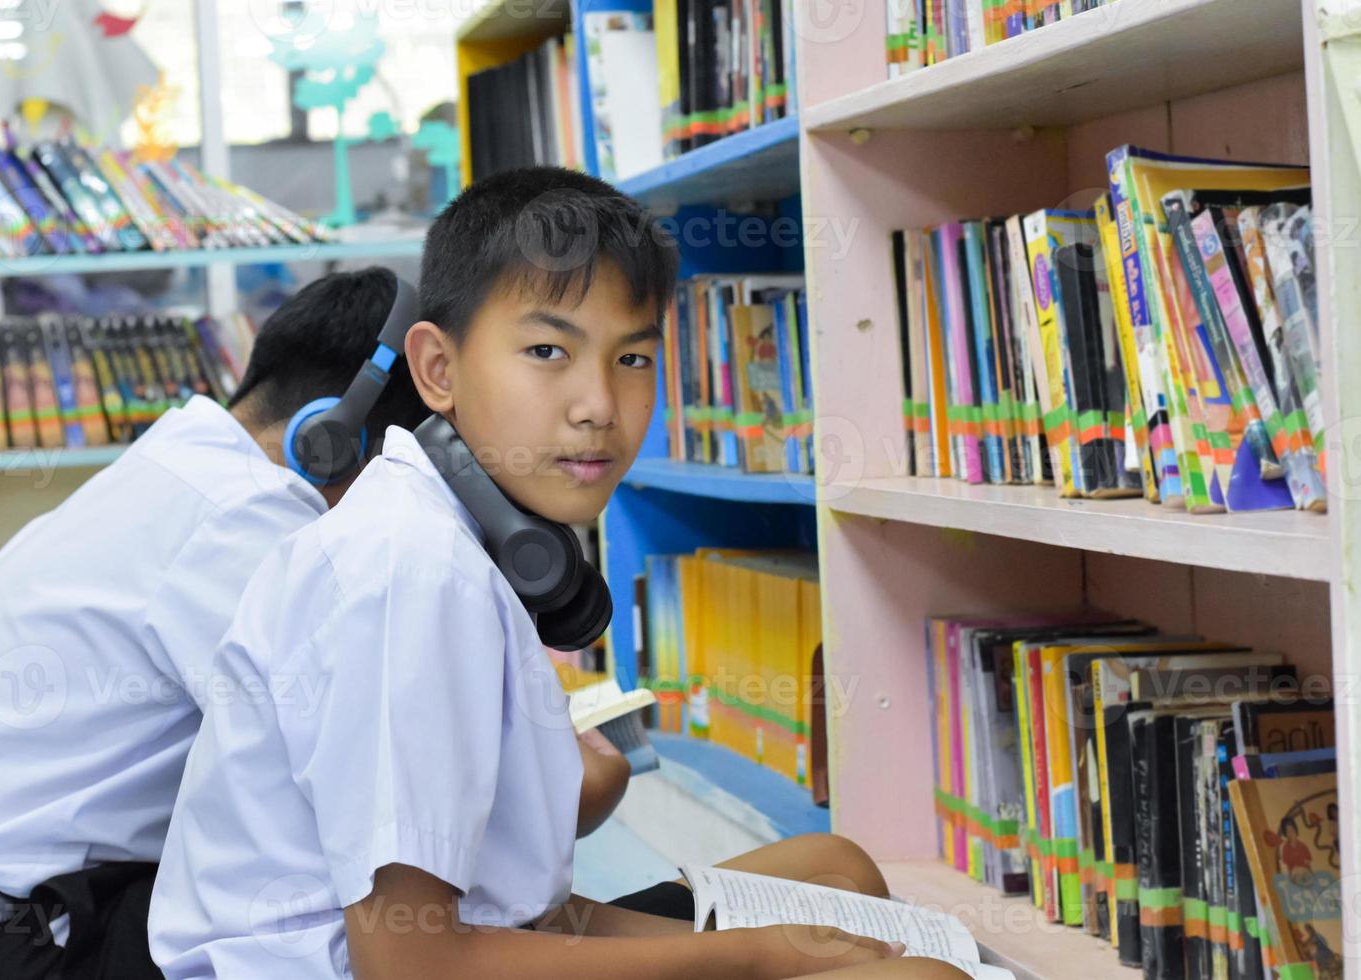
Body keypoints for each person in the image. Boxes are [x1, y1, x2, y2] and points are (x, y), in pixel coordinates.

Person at [148, 167, 968, 980]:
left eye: (634, 359)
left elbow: (522, 911)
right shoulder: (414, 575)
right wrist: (753, 956)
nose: (599, 406)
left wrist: (762, 949)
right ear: (438, 369)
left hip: (479, 940)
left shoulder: (463, 527)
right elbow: (413, 965)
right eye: (547, 350)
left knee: (834, 870)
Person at [0, 268, 431, 979]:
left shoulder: (179, 472)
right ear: (331, 437)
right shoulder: (247, 511)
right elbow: (354, 759)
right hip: (8, 944)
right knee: (344, 913)